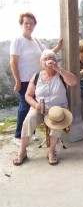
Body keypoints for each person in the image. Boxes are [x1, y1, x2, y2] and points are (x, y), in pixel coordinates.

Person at [12, 49, 77, 166]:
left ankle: (51, 151)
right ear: (41, 63)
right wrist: (35, 104)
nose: (48, 61)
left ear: (56, 61)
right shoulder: (36, 76)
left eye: (51, 58)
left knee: (59, 119)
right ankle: (22, 151)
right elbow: (27, 95)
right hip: (40, 109)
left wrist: (57, 69)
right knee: (29, 119)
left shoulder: (61, 74)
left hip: (58, 110)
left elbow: (73, 82)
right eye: (45, 59)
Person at [9, 12, 62, 145]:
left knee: (34, 108)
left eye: (31, 23)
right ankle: (18, 136)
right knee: (25, 106)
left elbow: (47, 54)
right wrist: (17, 81)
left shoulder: (36, 41)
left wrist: (58, 47)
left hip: (38, 79)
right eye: (26, 23)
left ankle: (29, 134)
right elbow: (13, 63)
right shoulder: (17, 40)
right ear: (21, 24)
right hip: (25, 79)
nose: (29, 26)